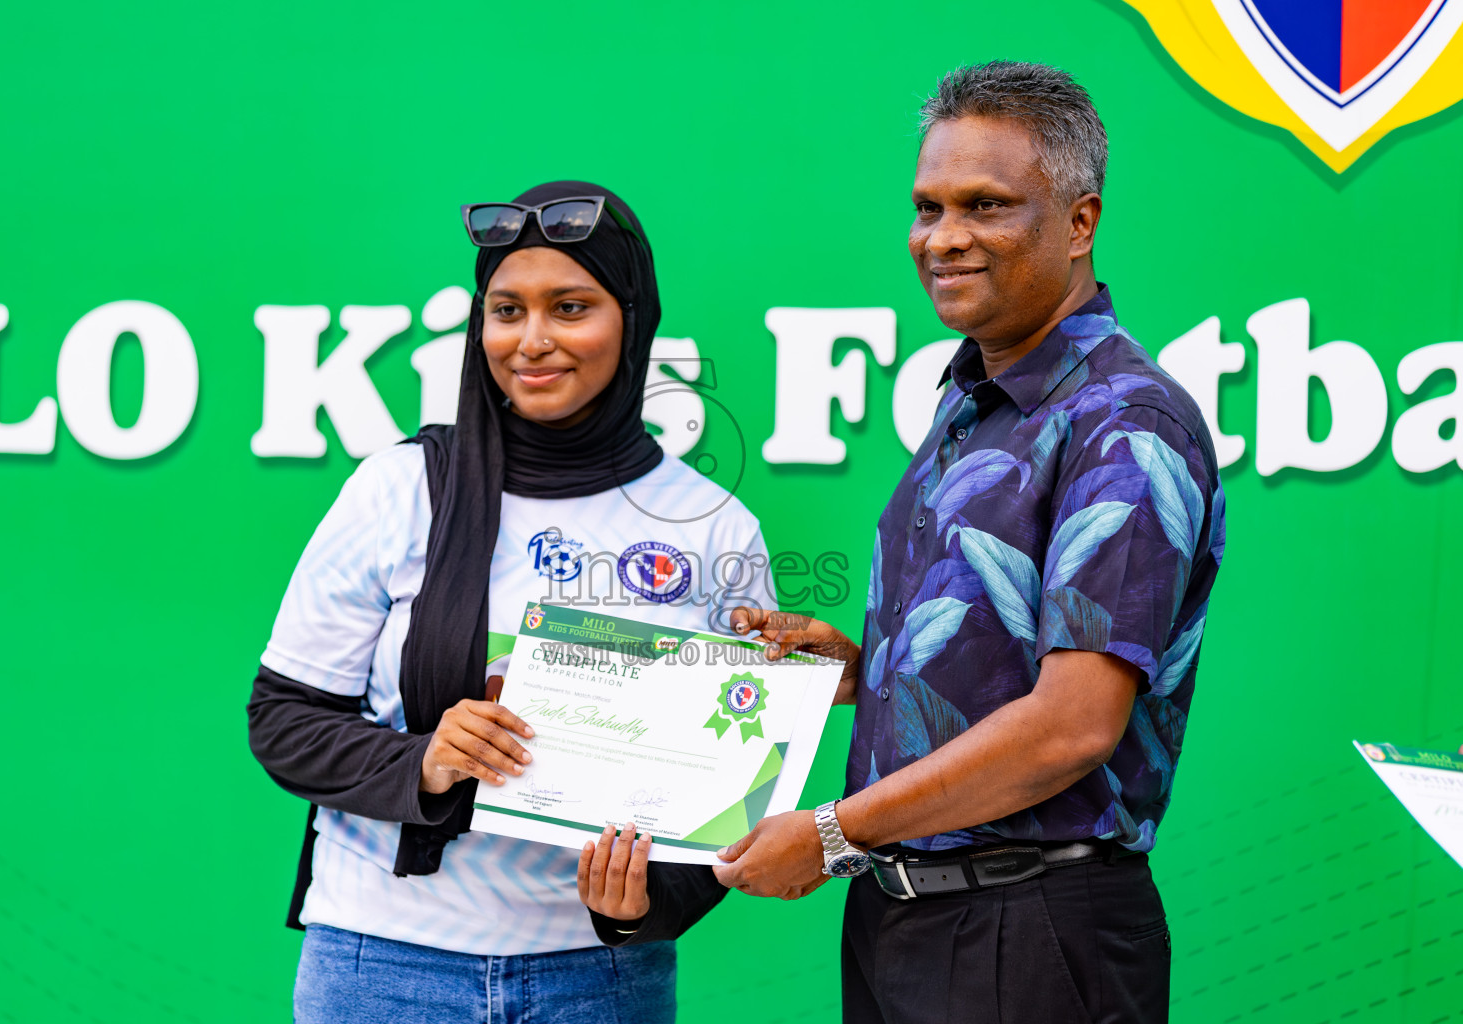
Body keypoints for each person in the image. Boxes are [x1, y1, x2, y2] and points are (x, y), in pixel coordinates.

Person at [705, 62, 1226, 1023]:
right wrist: (865, 671)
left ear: (1079, 223)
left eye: (986, 205)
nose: (944, 238)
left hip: (1027, 932)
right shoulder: (972, 399)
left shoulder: (1126, 425)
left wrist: (827, 835)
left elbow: (1071, 725)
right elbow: (1011, 661)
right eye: (928, 207)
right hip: (908, 919)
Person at [246, 181, 773, 1023]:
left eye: (570, 307)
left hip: (598, 980)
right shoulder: (399, 489)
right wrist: (425, 760)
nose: (531, 341)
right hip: (380, 967)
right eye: (505, 309)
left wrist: (640, 906)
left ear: (631, 321)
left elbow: (725, 798)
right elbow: (284, 720)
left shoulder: (711, 526)